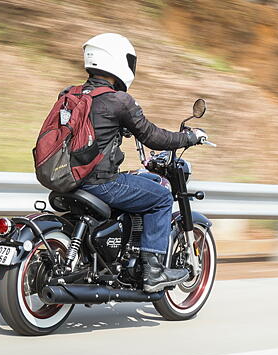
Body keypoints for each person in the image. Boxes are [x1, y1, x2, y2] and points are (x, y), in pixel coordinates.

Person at [67, 33, 206, 293]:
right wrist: (189, 137)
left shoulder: (72, 95)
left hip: (67, 178)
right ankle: (153, 272)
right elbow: (154, 136)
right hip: (100, 182)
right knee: (161, 197)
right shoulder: (119, 100)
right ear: (118, 60)